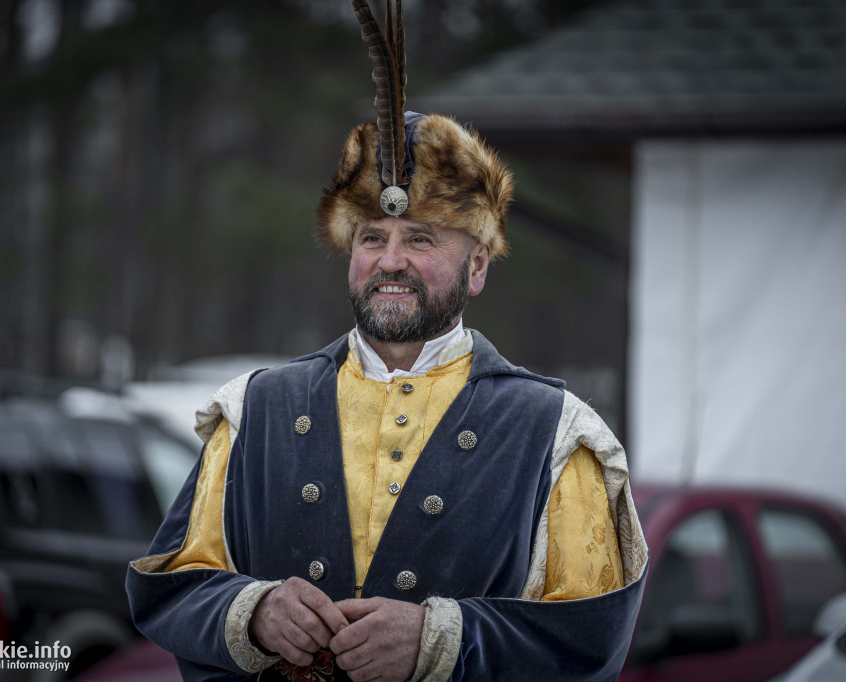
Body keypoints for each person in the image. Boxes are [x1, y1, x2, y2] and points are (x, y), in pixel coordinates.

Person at [126, 2, 647, 680]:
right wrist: (251, 612)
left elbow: (590, 642)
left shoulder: (557, 434)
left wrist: (443, 641)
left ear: (479, 265)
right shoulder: (253, 411)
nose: (390, 261)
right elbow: (171, 589)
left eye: (421, 239)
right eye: (372, 238)